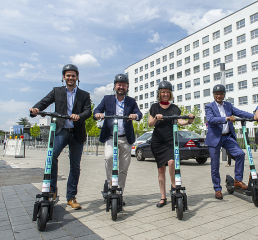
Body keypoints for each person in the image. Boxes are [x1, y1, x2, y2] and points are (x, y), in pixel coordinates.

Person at [30, 64, 91, 209]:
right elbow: (44, 102)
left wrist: (79, 116)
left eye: (73, 75)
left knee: (75, 166)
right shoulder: (56, 91)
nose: (70, 78)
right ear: (64, 77)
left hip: (77, 133)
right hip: (62, 130)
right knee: (51, 158)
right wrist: (36, 109)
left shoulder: (84, 94)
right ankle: (52, 190)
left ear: (77, 78)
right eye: (68, 75)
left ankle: (71, 197)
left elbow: (88, 111)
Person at [94, 74, 142, 204]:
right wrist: (98, 113)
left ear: (127, 87)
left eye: (124, 85)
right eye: (119, 84)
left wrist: (134, 115)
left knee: (123, 168)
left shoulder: (131, 101)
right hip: (110, 136)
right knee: (109, 157)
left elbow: (139, 114)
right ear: (115, 86)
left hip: (126, 138)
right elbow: (97, 109)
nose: (121, 87)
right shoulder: (107, 99)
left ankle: (119, 192)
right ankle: (111, 185)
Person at [205, 84, 258, 200]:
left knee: (240, 154)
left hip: (227, 137)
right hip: (214, 138)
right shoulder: (209, 106)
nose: (219, 96)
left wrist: (253, 117)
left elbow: (239, 112)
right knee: (215, 165)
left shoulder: (228, 105)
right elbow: (210, 119)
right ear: (214, 95)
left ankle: (238, 181)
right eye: (217, 94)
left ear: (224, 94)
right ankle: (217, 189)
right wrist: (226, 119)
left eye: (221, 94)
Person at [148, 81, 194, 207]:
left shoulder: (174, 108)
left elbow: (180, 121)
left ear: (170, 93)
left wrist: (189, 121)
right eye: (163, 92)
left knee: (172, 162)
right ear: (159, 93)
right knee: (161, 169)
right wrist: (156, 118)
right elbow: (150, 124)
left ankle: (174, 187)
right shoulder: (154, 107)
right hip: (157, 141)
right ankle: (163, 198)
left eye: (168, 92)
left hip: (170, 141)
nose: (165, 94)